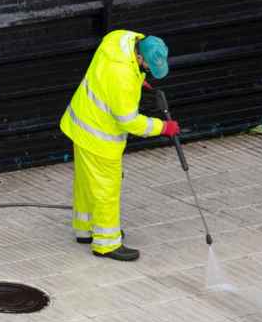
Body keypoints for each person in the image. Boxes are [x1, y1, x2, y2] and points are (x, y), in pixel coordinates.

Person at [59, 30, 180, 261]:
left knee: (86, 182)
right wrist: (163, 127)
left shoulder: (119, 39)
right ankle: (106, 243)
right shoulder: (122, 78)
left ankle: (84, 229)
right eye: (147, 67)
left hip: (81, 122)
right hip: (99, 137)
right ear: (140, 57)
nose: (148, 70)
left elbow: (112, 74)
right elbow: (129, 121)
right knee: (106, 190)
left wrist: (139, 79)